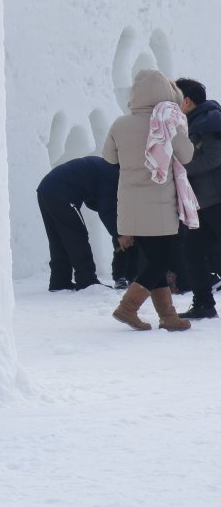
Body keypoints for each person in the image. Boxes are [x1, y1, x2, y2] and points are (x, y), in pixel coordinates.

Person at [105, 70, 195, 331]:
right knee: (159, 261)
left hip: (129, 206)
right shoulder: (166, 123)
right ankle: (127, 307)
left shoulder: (119, 124)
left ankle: (168, 317)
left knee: (154, 260)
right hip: (159, 207)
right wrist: (180, 129)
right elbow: (187, 155)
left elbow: (110, 158)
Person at [35, 155, 130, 291]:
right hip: (62, 193)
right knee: (77, 237)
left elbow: (94, 200)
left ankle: (59, 280)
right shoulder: (112, 175)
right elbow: (107, 208)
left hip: (46, 189)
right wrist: (119, 233)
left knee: (59, 239)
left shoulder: (104, 167)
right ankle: (87, 281)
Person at [174, 78, 221, 319]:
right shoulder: (195, 120)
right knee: (191, 252)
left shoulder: (210, 120)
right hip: (203, 202)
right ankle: (203, 304)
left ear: (187, 101)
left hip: (215, 200)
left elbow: (214, 158)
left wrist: (181, 169)